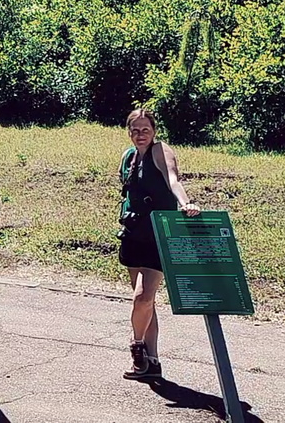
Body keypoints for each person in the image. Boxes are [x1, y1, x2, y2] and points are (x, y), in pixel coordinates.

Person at [116, 107, 200, 381]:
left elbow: (173, 179)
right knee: (145, 303)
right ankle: (152, 362)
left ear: (154, 131)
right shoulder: (129, 157)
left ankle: (136, 346)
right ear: (129, 132)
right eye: (135, 130)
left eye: (146, 130)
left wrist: (185, 203)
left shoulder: (160, 151)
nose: (140, 135)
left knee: (143, 297)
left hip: (157, 235)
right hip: (133, 233)